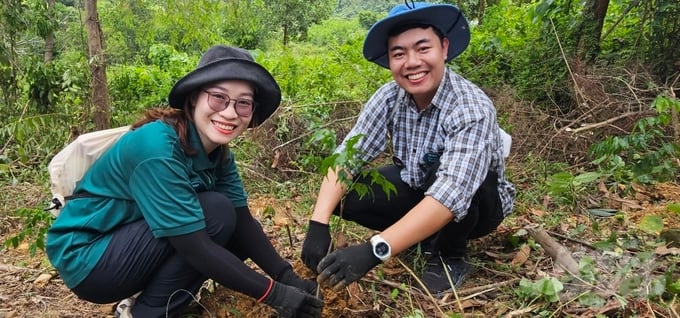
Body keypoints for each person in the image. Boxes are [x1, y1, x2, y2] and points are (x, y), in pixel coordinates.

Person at [46, 45, 323, 318]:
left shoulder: (218, 154)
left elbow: (243, 222)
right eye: (218, 98)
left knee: (233, 228)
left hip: (126, 242)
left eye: (243, 103)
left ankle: (154, 304)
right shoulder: (156, 146)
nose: (229, 113)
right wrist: (275, 295)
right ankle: (146, 313)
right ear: (193, 99)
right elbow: (194, 245)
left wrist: (288, 278)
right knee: (215, 211)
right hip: (88, 258)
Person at [301, 2, 516, 296]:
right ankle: (418, 234)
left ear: (444, 48)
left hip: (479, 202)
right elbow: (347, 156)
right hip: (418, 183)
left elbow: (452, 191)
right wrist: (317, 223)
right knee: (349, 196)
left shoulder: (471, 107)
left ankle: (449, 256)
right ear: (389, 60)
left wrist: (374, 250)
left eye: (423, 48)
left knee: (449, 172)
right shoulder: (389, 96)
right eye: (399, 53)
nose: (412, 62)